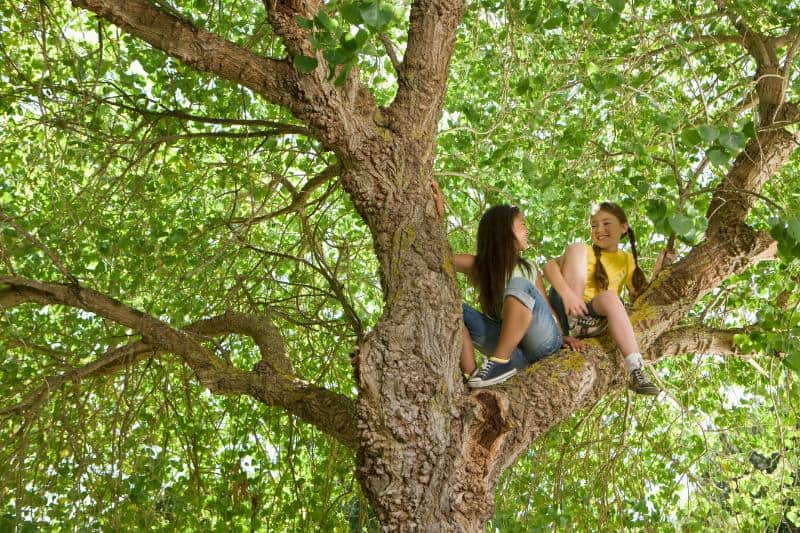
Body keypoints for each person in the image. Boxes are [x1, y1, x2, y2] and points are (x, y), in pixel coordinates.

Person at [432, 181, 579, 388]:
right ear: (504, 229)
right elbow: (438, 255)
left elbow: (544, 305)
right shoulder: (481, 265)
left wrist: (563, 335)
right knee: (452, 306)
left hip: (542, 343)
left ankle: (498, 363)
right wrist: (436, 216)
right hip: (514, 353)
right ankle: (471, 377)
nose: (527, 230)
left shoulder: (529, 267)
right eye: (523, 225)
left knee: (520, 285)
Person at [543, 202, 667, 396]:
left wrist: (661, 266)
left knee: (610, 297)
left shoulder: (626, 259)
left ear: (623, 227)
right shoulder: (585, 251)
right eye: (594, 225)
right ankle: (574, 320)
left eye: (606, 223)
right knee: (576, 247)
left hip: (595, 318)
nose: (599, 229)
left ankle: (636, 368)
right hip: (569, 312)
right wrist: (567, 294)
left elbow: (642, 296)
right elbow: (548, 266)